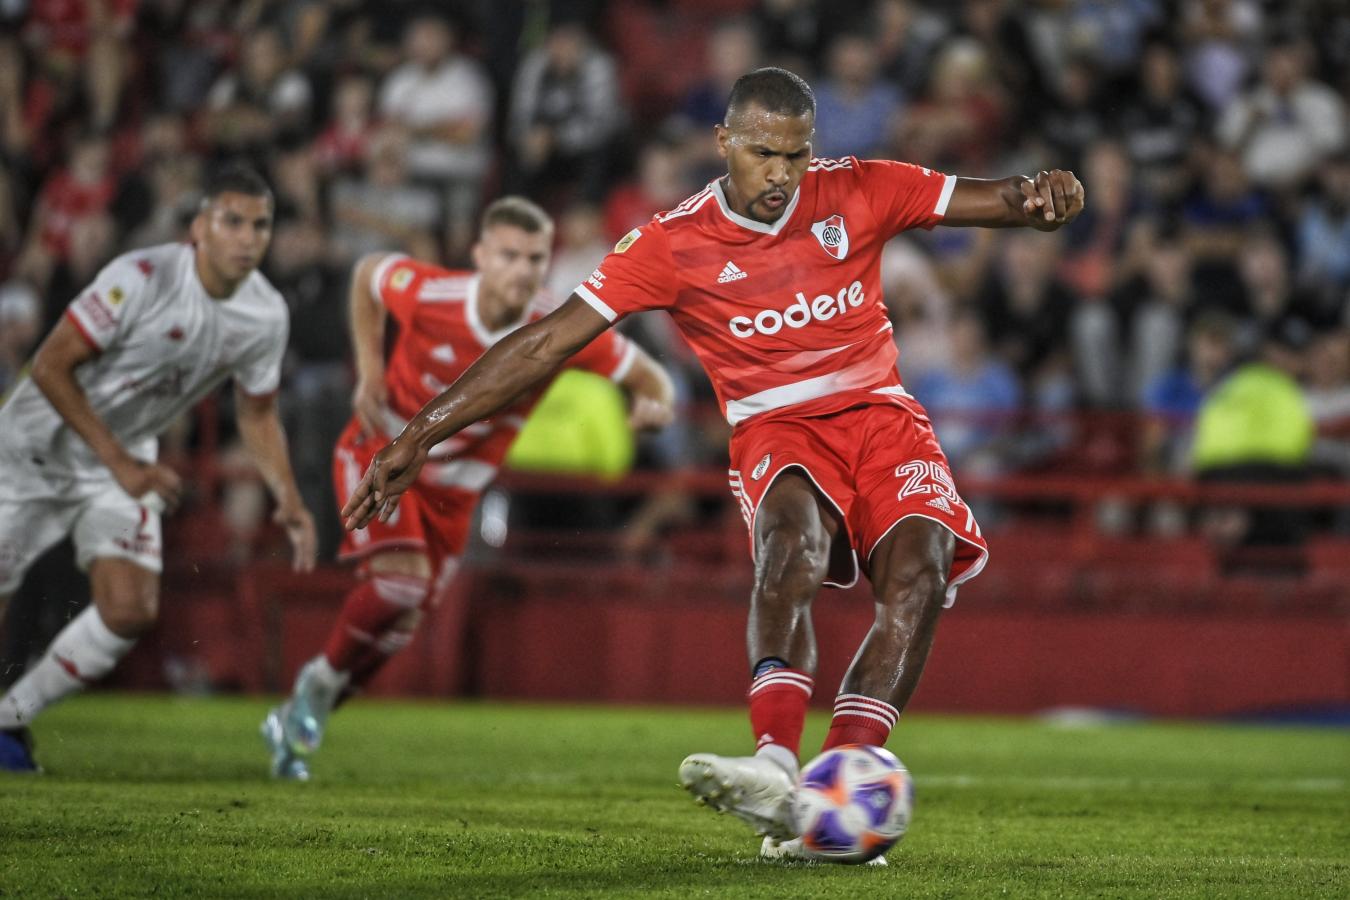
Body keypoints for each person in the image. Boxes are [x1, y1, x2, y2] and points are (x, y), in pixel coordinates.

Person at [340, 68, 1083, 860]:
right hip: (775, 425)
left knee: (922, 572)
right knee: (790, 546)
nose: (782, 175)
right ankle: (773, 765)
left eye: (797, 156)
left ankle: (838, 785)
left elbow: (997, 199)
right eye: (764, 154)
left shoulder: (862, 187)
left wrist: (1044, 199)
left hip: (880, 413)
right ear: (723, 142)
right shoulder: (672, 243)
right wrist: (421, 432)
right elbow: (546, 342)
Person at [261, 197, 674, 781]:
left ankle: (304, 708)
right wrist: (371, 372)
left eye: (535, 258)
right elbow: (368, 275)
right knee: (401, 585)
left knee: (397, 628)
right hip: (383, 452)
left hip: (456, 495)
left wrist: (653, 403)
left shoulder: (557, 328)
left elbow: (647, 372)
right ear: (479, 256)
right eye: (508, 255)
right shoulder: (434, 294)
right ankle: (314, 686)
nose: (522, 270)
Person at [0, 164, 317, 772]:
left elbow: (256, 414)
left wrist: (288, 497)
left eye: (260, 225)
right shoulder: (140, 276)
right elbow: (50, 366)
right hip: (38, 445)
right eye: (232, 221)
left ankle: (10, 723)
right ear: (199, 227)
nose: (247, 237)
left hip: (123, 458)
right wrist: (117, 460)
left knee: (130, 609)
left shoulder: (265, 315)